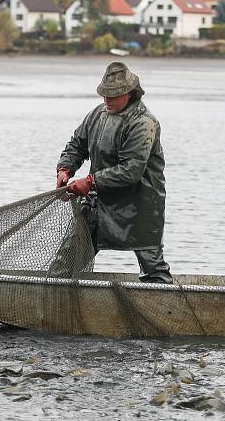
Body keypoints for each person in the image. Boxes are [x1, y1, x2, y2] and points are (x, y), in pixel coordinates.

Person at [54, 62, 173, 283]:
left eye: (112, 95)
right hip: (98, 201)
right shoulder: (97, 114)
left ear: (129, 94)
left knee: (153, 267)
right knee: (65, 263)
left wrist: (89, 181)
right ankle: (51, 299)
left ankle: (166, 306)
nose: (106, 99)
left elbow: (131, 170)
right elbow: (77, 144)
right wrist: (65, 168)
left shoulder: (144, 123)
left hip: (140, 206)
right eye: (104, 94)